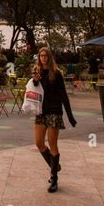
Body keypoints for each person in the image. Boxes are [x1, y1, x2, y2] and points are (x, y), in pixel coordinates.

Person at [33, 47, 77, 193]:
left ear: (50, 57)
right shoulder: (37, 72)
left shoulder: (56, 74)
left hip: (54, 111)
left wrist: (70, 116)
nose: (43, 58)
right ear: (39, 58)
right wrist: (35, 81)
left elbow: (64, 95)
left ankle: (54, 177)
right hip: (41, 111)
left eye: (46, 56)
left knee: (53, 145)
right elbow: (34, 91)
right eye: (41, 56)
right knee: (39, 142)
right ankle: (54, 165)